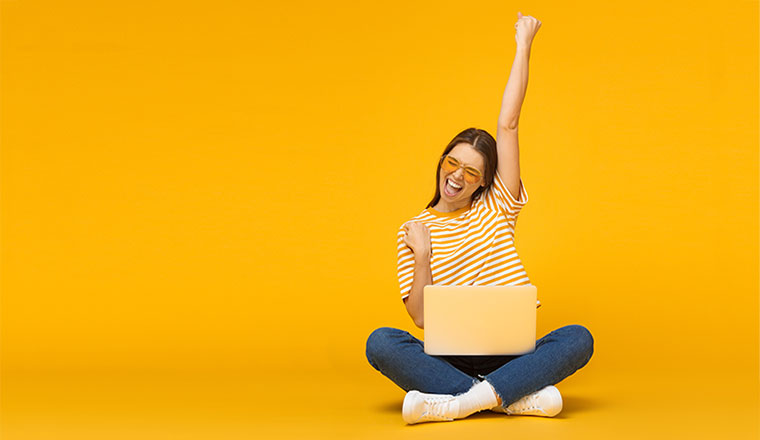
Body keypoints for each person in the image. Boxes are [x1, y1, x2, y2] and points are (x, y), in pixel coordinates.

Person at [365, 13, 594, 424]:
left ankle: (458, 404)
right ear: (441, 162)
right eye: (453, 163)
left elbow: (508, 124)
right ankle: (512, 396)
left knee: (578, 338)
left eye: (472, 172)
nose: (457, 176)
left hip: (512, 353)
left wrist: (524, 45)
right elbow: (419, 318)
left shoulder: (497, 205)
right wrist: (422, 255)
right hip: (449, 360)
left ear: (485, 182)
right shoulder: (413, 230)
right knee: (381, 343)